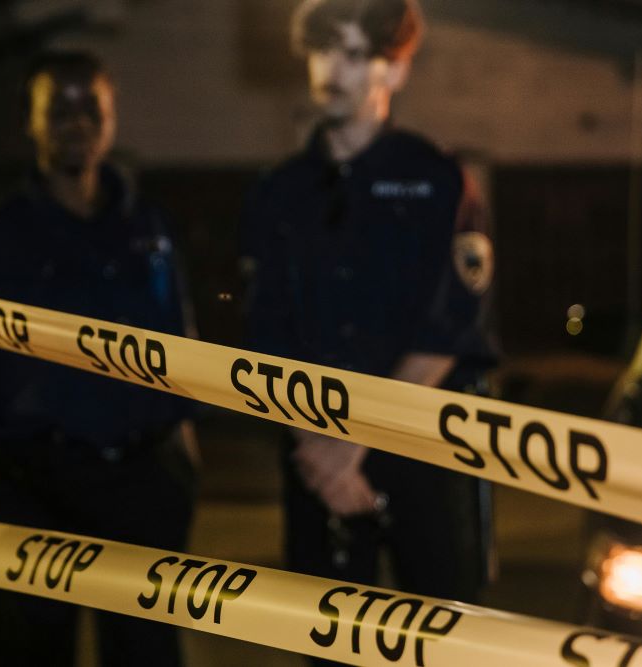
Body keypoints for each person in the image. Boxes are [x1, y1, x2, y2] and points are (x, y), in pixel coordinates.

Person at [241, 0, 496, 653]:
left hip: (421, 453)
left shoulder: (439, 181)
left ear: (396, 70)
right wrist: (320, 452)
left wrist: (350, 444)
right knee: (325, 644)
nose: (333, 71)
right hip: (315, 454)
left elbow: (449, 327)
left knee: (443, 642)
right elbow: (268, 331)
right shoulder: (279, 191)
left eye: (355, 55)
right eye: (323, 52)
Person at [0, 50, 196, 667]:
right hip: (37, 485)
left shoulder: (148, 226)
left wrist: (184, 459)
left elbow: (177, 339)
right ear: (31, 123)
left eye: (90, 106)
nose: (75, 121)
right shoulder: (0, 233)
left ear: (112, 119)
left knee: (146, 653)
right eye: (57, 108)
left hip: (141, 483)